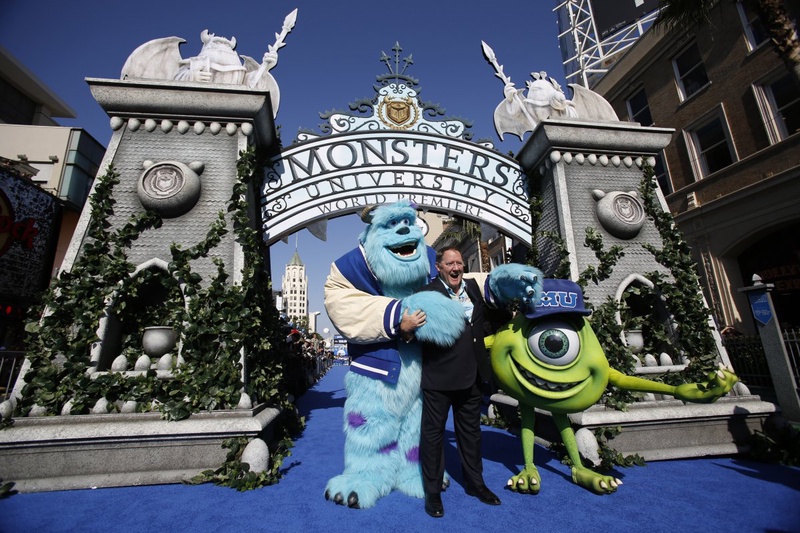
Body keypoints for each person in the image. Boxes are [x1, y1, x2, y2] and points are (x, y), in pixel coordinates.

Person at [411, 246, 503, 518]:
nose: (456, 268)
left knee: (471, 434)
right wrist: (407, 329)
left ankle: (476, 484)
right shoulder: (425, 294)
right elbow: (415, 334)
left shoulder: (473, 288)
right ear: (438, 267)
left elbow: (482, 322)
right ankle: (433, 493)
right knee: (433, 436)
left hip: (472, 376)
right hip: (439, 377)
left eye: (459, 263)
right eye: (449, 263)